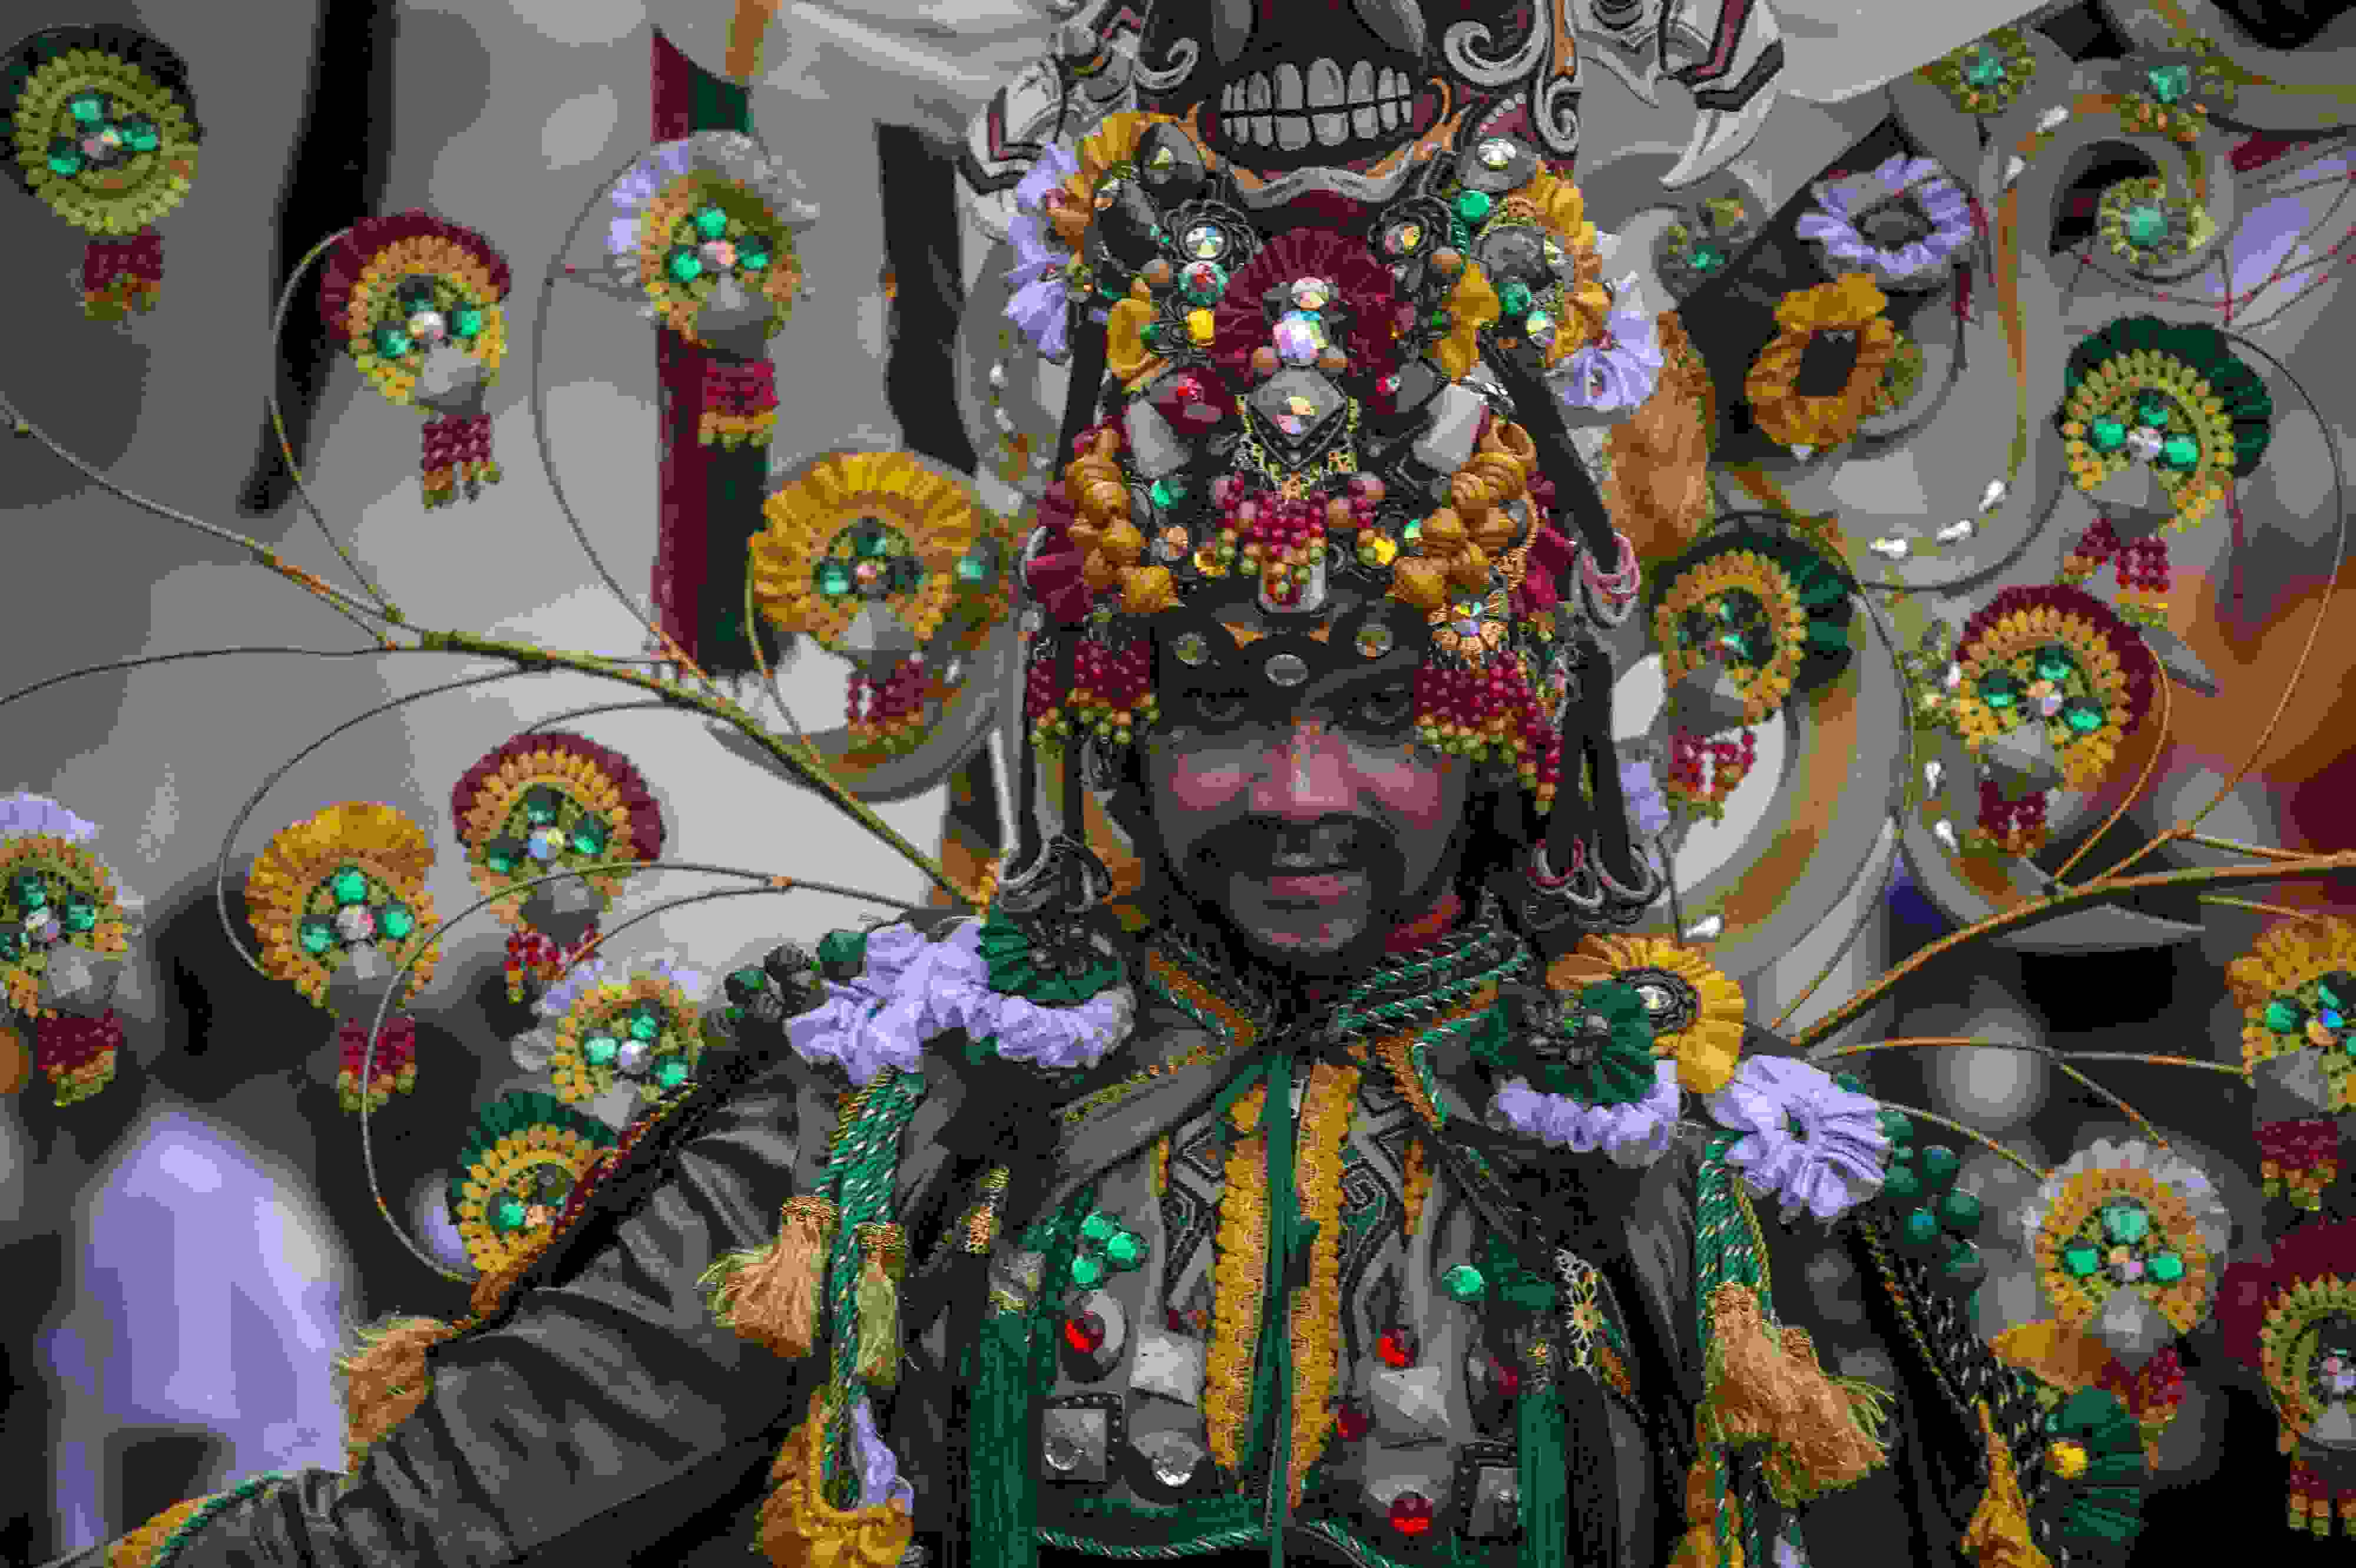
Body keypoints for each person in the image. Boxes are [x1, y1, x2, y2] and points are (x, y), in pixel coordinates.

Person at [57, 23, 2117, 1568]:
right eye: (1221, 705)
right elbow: (425, 1528)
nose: (1298, 794)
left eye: (1384, 710)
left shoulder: (1699, 1183)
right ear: (1105, 720)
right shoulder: (888, 1134)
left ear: (1511, 721)